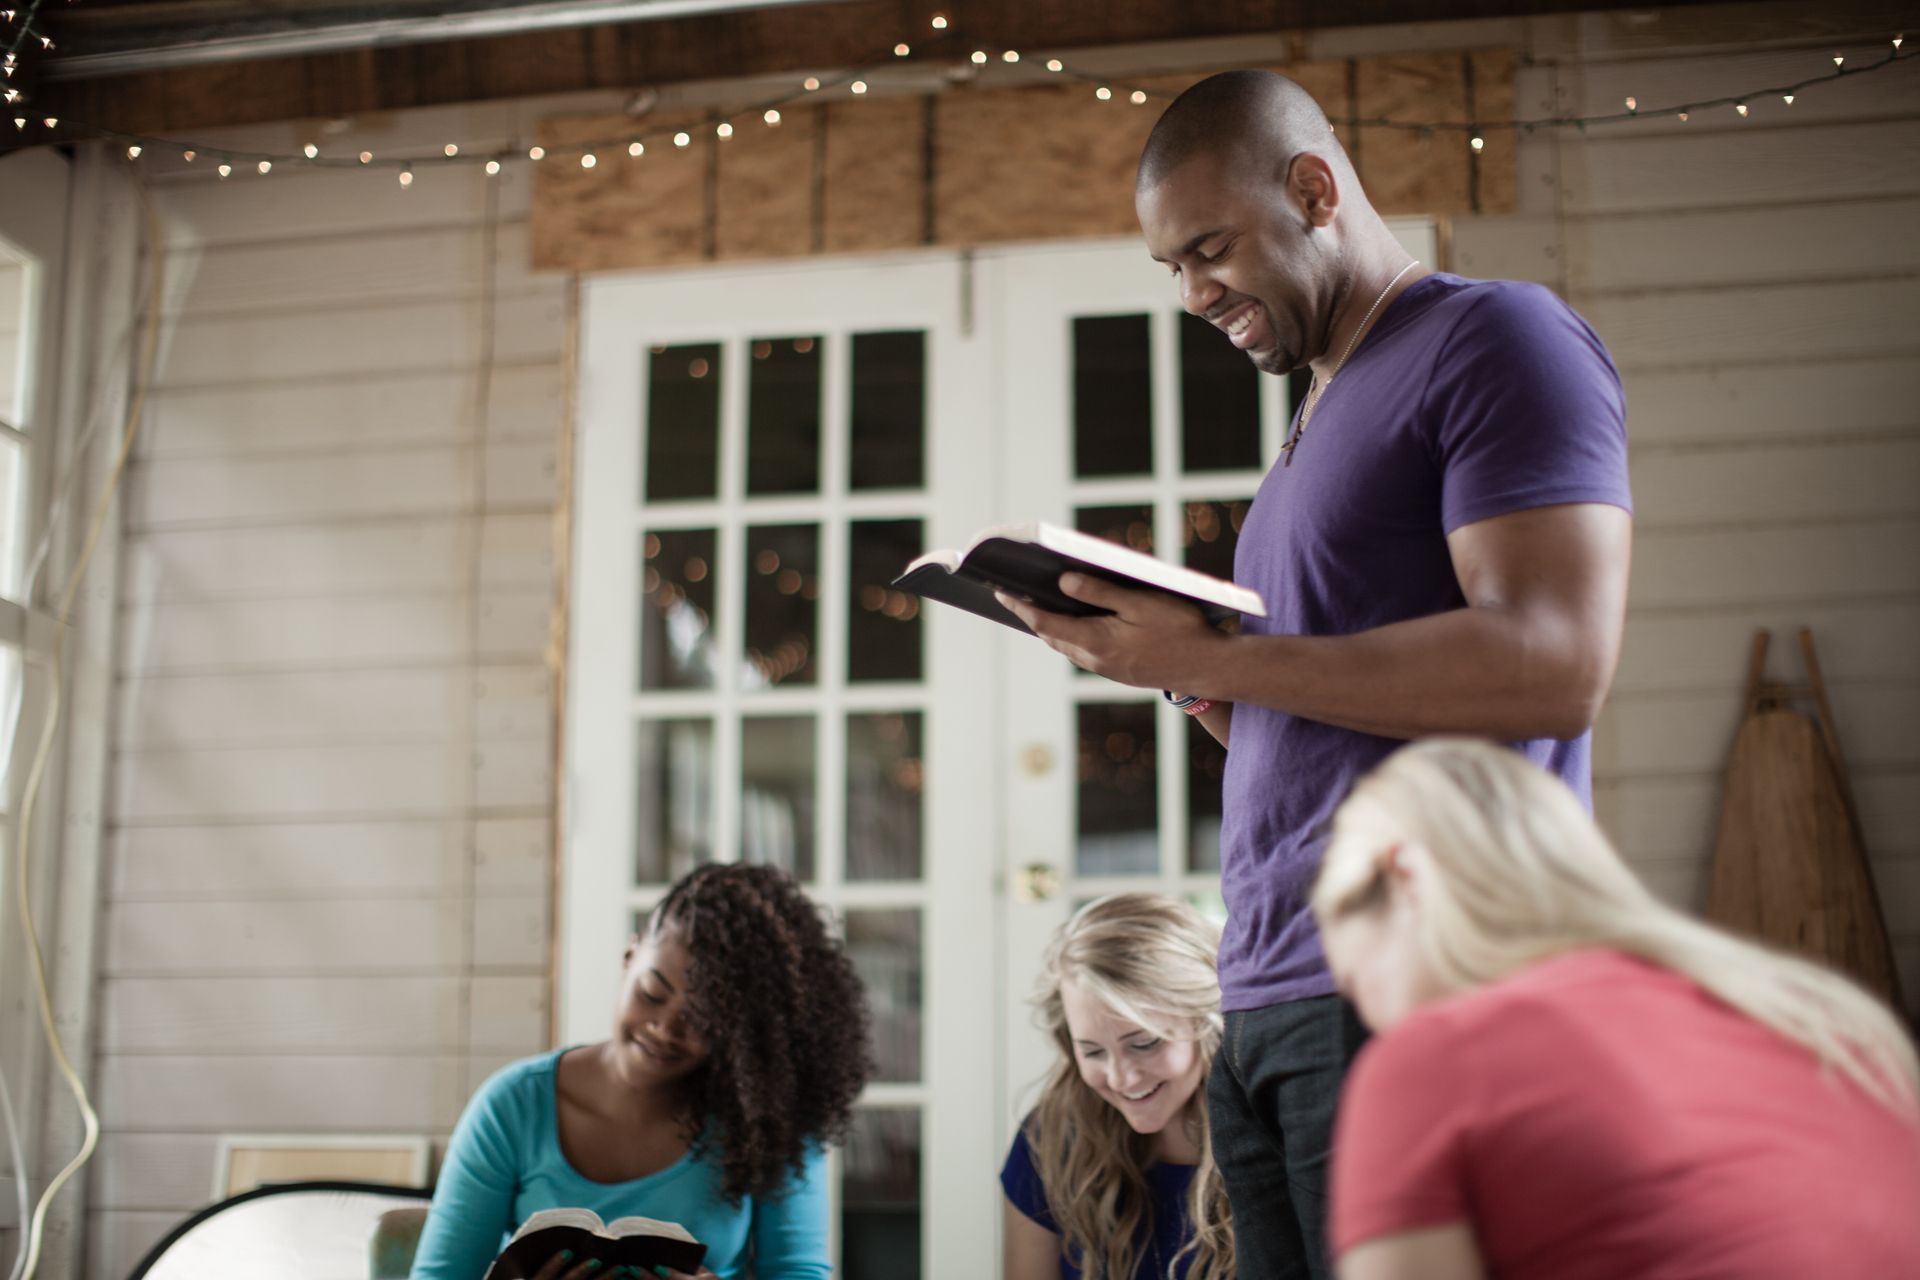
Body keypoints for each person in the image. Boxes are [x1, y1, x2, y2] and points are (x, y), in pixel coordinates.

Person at [997, 68, 1633, 1278]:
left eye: (1210, 249)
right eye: (1170, 269)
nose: (1194, 295)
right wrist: (1179, 676)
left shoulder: (1496, 337)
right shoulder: (1312, 424)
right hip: (1271, 988)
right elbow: (1327, 727)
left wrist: (1198, 649)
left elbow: (1555, 663)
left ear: (1311, 187)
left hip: (1418, 979)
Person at [1313, 737, 1920, 1280]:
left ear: (1407, 876)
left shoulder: (1435, 1058)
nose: (1374, 1021)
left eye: (1359, 984)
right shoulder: (1806, 1011)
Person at [409, 864, 874, 1280]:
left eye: (703, 1019)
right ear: (629, 958)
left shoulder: (769, 1119)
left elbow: (799, 1272)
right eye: (652, 993)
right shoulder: (512, 1106)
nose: (664, 1029)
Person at [1002, 894, 1235, 1280]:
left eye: (1145, 1043)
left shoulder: (1270, 1132)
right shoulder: (1051, 1139)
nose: (1121, 1078)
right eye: (1092, 1051)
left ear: (1203, 1020)